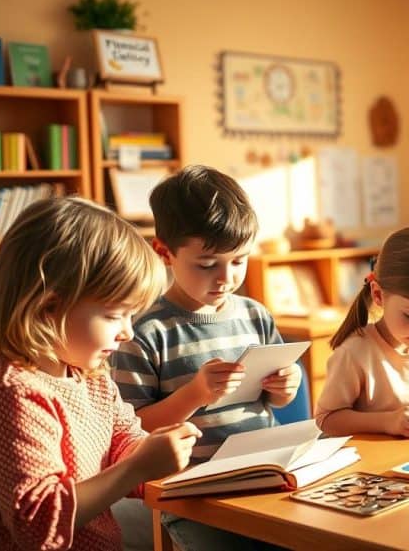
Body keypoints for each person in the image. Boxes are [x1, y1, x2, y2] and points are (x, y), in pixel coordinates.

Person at [0, 197, 200, 550]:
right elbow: (40, 526)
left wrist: (153, 453)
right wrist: (137, 469)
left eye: (131, 316)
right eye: (114, 315)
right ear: (49, 307)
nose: (128, 332)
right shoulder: (12, 393)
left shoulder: (90, 374)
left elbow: (123, 441)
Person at [109, 165, 301, 551]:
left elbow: (275, 400)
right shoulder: (145, 333)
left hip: (264, 478)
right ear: (164, 252)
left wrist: (286, 386)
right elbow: (132, 430)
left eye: (239, 260)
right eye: (208, 264)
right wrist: (194, 394)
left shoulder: (254, 315)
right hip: (193, 495)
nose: (226, 278)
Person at [315, 226, 409, 438]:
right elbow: (326, 420)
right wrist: (386, 421)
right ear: (378, 295)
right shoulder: (354, 353)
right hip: (367, 463)